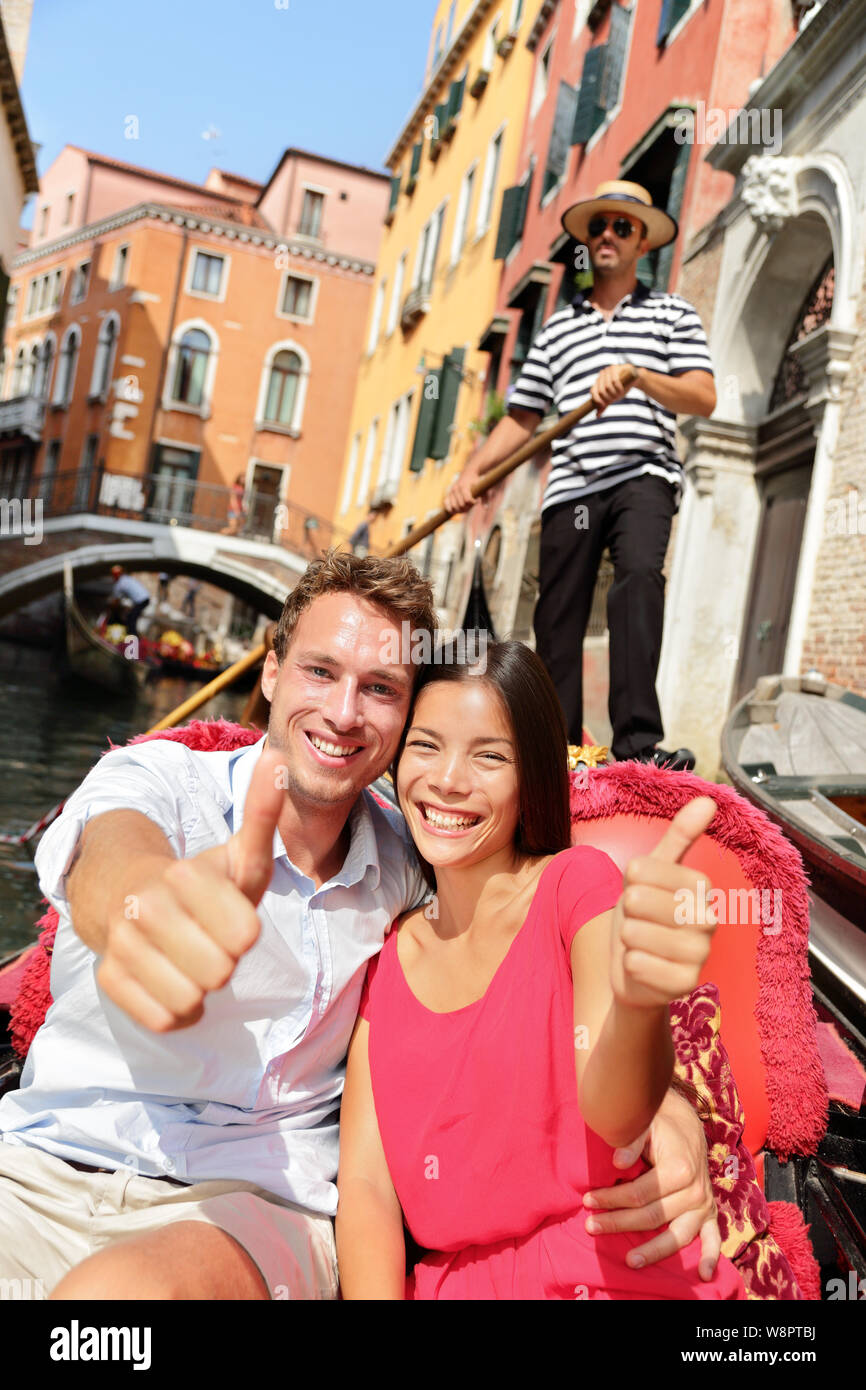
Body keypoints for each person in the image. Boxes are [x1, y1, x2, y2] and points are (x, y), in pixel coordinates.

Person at [0, 554, 723, 1300]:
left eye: (379, 689)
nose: (345, 714)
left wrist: (667, 1097)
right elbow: (110, 857)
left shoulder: (413, 865)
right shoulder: (156, 780)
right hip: (34, 1172)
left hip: (243, 1212)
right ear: (271, 672)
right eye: (320, 672)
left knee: (112, 1304)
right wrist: (145, 912)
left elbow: (533, 956)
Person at [336, 641, 744, 1300]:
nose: (448, 779)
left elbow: (617, 1116)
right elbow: (366, 1191)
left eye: (490, 755)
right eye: (427, 745)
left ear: (532, 777)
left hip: (610, 1265)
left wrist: (639, 1003)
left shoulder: (574, 885)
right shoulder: (385, 958)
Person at [446, 181, 716, 772]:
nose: (607, 236)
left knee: (639, 580)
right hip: (570, 485)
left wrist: (639, 375)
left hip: (643, 474)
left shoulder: (672, 313)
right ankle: (561, 748)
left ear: (641, 240)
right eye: (599, 227)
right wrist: (473, 473)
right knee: (557, 614)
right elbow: (522, 419)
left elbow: (702, 395)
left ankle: (638, 746)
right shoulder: (556, 330)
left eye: (622, 226)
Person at [109, 565, 150, 636]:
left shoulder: (120, 584)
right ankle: (132, 634)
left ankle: (132, 636)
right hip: (144, 598)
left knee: (131, 618)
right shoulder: (127, 578)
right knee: (131, 616)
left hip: (141, 600)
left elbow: (116, 601)